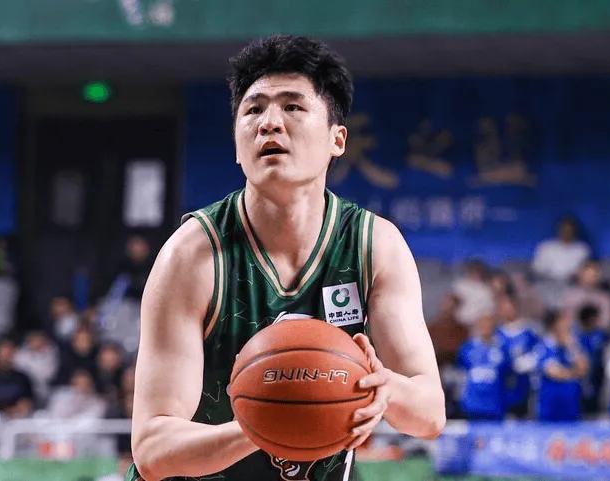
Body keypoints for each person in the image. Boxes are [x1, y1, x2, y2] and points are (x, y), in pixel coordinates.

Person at [129, 35, 445, 481]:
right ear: (237, 146)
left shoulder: (375, 245)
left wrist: (382, 386)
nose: (269, 123)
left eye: (293, 107)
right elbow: (153, 448)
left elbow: (430, 414)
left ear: (338, 139)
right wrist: (269, 422)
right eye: (253, 110)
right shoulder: (193, 254)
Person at [535, 311, 588, 422]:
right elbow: (554, 372)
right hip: (550, 405)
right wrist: (574, 373)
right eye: (563, 322)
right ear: (554, 325)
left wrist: (571, 346)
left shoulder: (573, 345)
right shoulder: (544, 346)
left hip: (571, 404)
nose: (567, 325)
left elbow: (583, 368)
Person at [457, 314, 511, 420]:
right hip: (473, 403)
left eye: (489, 325)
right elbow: (461, 373)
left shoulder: (502, 349)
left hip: (494, 404)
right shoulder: (467, 348)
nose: (486, 328)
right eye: (483, 325)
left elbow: (508, 373)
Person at [532, 217, 590, 283]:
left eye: (569, 230)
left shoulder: (582, 249)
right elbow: (537, 268)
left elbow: (585, 271)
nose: (566, 233)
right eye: (564, 230)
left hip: (573, 284)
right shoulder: (546, 246)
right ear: (558, 230)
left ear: (574, 232)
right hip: (547, 282)